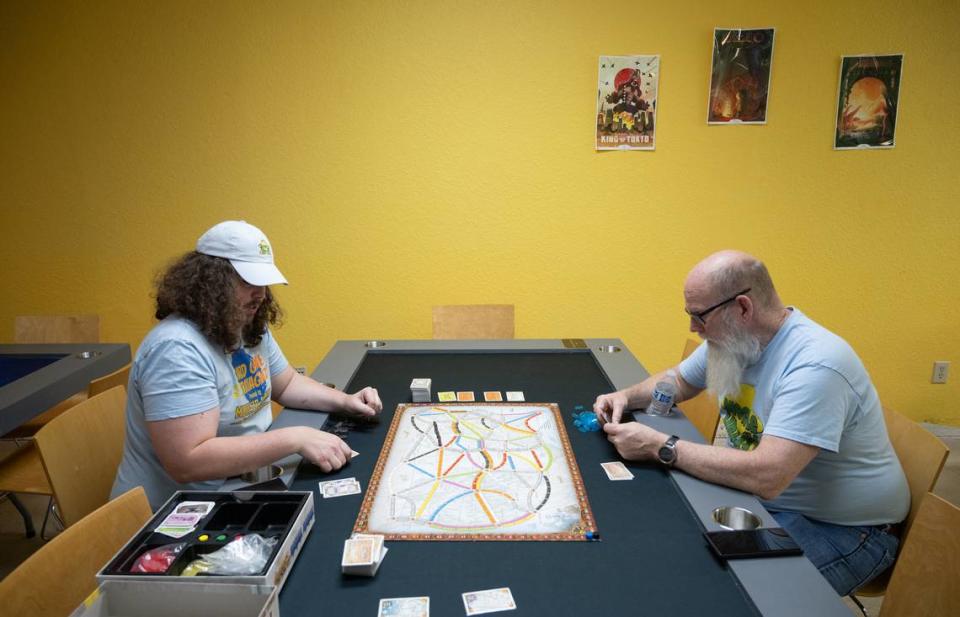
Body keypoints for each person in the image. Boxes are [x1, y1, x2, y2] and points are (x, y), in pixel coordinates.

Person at [593, 250, 909, 596]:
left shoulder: (817, 365)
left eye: (699, 316)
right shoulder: (735, 339)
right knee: (668, 561)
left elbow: (767, 476)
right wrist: (625, 396)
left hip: (847, 530)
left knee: (718, 597)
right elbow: (678, 382)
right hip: (776, 504)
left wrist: (661, 447)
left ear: (742, 308)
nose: (693, 328)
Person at [111, 220, 382, 509]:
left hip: (239, 484)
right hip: (171, 515)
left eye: (263, 283)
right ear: (210, 282)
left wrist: (345, 401)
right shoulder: (176, 349)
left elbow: (287, 383)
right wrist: (295, 438)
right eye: (248, 282)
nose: (262, 294)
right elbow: (188, 461)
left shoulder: (244, 323)